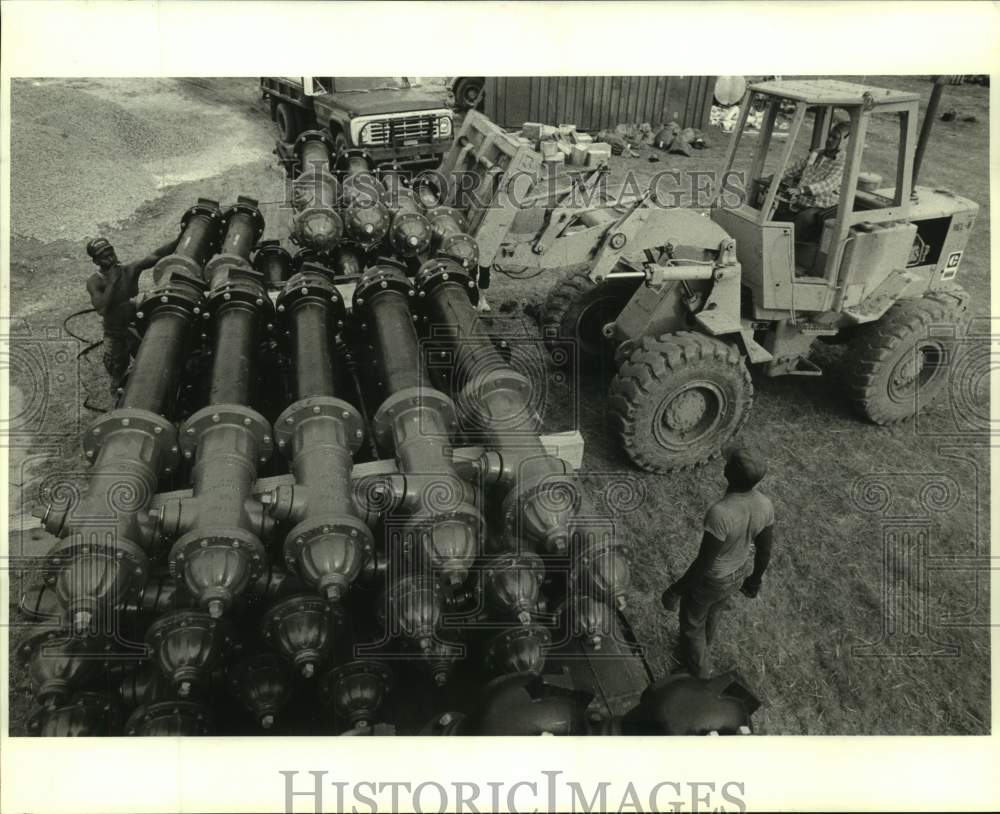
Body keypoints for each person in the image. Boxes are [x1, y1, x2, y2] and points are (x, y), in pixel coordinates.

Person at [661, 447, 775, 679]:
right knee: (714, 612)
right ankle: (702, 650)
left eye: (728, 463)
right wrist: (754, 580)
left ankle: (700, 674)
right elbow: (765, 551)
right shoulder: (765, 504)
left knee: (692, 624)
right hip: (738, 572)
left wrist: (675, 590)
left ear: (728, 473)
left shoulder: (721, 513)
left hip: (713, 579)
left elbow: (703, 563)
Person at [85, 235, 178, 397]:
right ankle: (118, 399)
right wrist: (112, 282)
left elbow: (155, 256)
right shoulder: (95, 282)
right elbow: (101, 309)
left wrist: (179, 239)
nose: (111, 258)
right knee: (117, 369)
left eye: (111, 252)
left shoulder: (129, 270)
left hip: (135, 328)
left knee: (150, 360)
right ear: (96, 262)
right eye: (104, 256)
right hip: (114, 333)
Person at [777, 121, 851, 242]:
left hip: (822, 207)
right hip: (801, 201)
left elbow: (828, 184)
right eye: (829, 136)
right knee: (778, 209)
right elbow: (795, 168)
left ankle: (790, 253)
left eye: (834, 138)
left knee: (803, 219)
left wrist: (801, 190)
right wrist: (777, 178)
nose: (829, 140)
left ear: (845, 141)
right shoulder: (817, 154)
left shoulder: (844, 162)